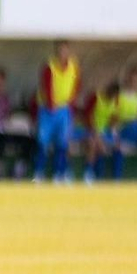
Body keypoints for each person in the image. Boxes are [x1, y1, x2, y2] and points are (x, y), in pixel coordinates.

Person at [33, 40, 80, 183]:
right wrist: (51, 104)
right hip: (48, 109)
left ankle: (59, 173)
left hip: (64, 110)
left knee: (63, 143)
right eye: (59, 50)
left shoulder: (74, 66)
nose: (62, 53)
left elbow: (76, 85)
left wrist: (71, 104)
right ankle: (38, 173)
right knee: (42, 142)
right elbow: (46, 86)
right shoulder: (49, 66)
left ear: (68, 51)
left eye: (65, 50)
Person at [85, 80, 124, 182]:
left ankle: (117, 178)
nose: (112, 97)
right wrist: (96, 132)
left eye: (115, 95)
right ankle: (90, 173)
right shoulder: (95, 97)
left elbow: (114, 120)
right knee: (95, 145)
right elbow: (87, 116)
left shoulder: (116, 101)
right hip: (91, 129)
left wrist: (114, 133)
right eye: (111, 94)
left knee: (118, 146)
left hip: (105, 131)